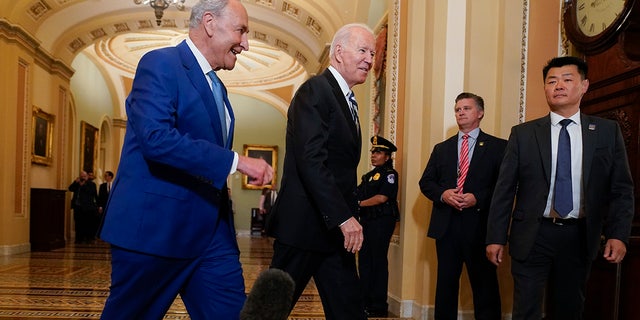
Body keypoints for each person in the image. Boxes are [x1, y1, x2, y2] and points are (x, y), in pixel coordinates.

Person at [98, 0, 274, 318]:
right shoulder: (160, 64)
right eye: (241, 31)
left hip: (211, 237)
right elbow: (156, 139)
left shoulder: (219, 87)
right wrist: (237, 162)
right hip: (154, 232)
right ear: (209, 22)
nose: (246, 44)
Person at [486, 56, 634, 320]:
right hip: (533, 234)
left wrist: (618, 234)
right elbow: (504, 189)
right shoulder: (523, 134)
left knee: (569, 308)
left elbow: (621, 188)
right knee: (526, 309)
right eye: (551, 81)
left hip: (580, 235)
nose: (559, 86)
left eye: (567, 79)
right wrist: (496, 236)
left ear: (584, 85)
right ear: (545, 88)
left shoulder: (605, 132)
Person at [266, 23, 375, 320]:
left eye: (373, 53)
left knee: (349, 311)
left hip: (335, 233)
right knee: (269, 312)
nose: (369, 59)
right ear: (339, 52)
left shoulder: (346, 100)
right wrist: (344, 217)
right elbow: (311, 160)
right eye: (363, 50)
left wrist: (344, 218)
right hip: (303, 227)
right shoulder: (315, 90)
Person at [419, 92, 505, 320]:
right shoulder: (442, 149)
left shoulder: (498, 147)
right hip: (447, 227)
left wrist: (478, 197)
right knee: (445, 286)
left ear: (480, 113)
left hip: (480, 228)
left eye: (466, 108)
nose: (460, 113)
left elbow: (504, 186)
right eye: (458, 109)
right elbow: (426, 182)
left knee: (484, 286)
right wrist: (443, 194)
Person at [356, 135, 400, 318]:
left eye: (378, 152)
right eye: (373, 152)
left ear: (387, 156)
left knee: (377, 261)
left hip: (382, 221)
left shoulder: (390, 175)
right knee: (365, 261)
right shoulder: (368, 176)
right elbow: (357, 193)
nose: (374, 155)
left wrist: (357, 205)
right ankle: (364, 301)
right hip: (367, 221)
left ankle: (378, 304)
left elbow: (382, 198)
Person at [68, 170, 99, 244]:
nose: (83, 178)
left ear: (87, 177)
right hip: (77, 206)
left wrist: (83, 185)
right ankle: (78, 239)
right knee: (78, 223)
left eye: (84, 176)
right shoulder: (77, 183)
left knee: (87, 223)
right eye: (81, 176)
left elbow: (91, 193)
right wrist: (75, 182)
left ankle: (87, 238)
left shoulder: (91, 184)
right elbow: (70, 188)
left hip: (87, 207)